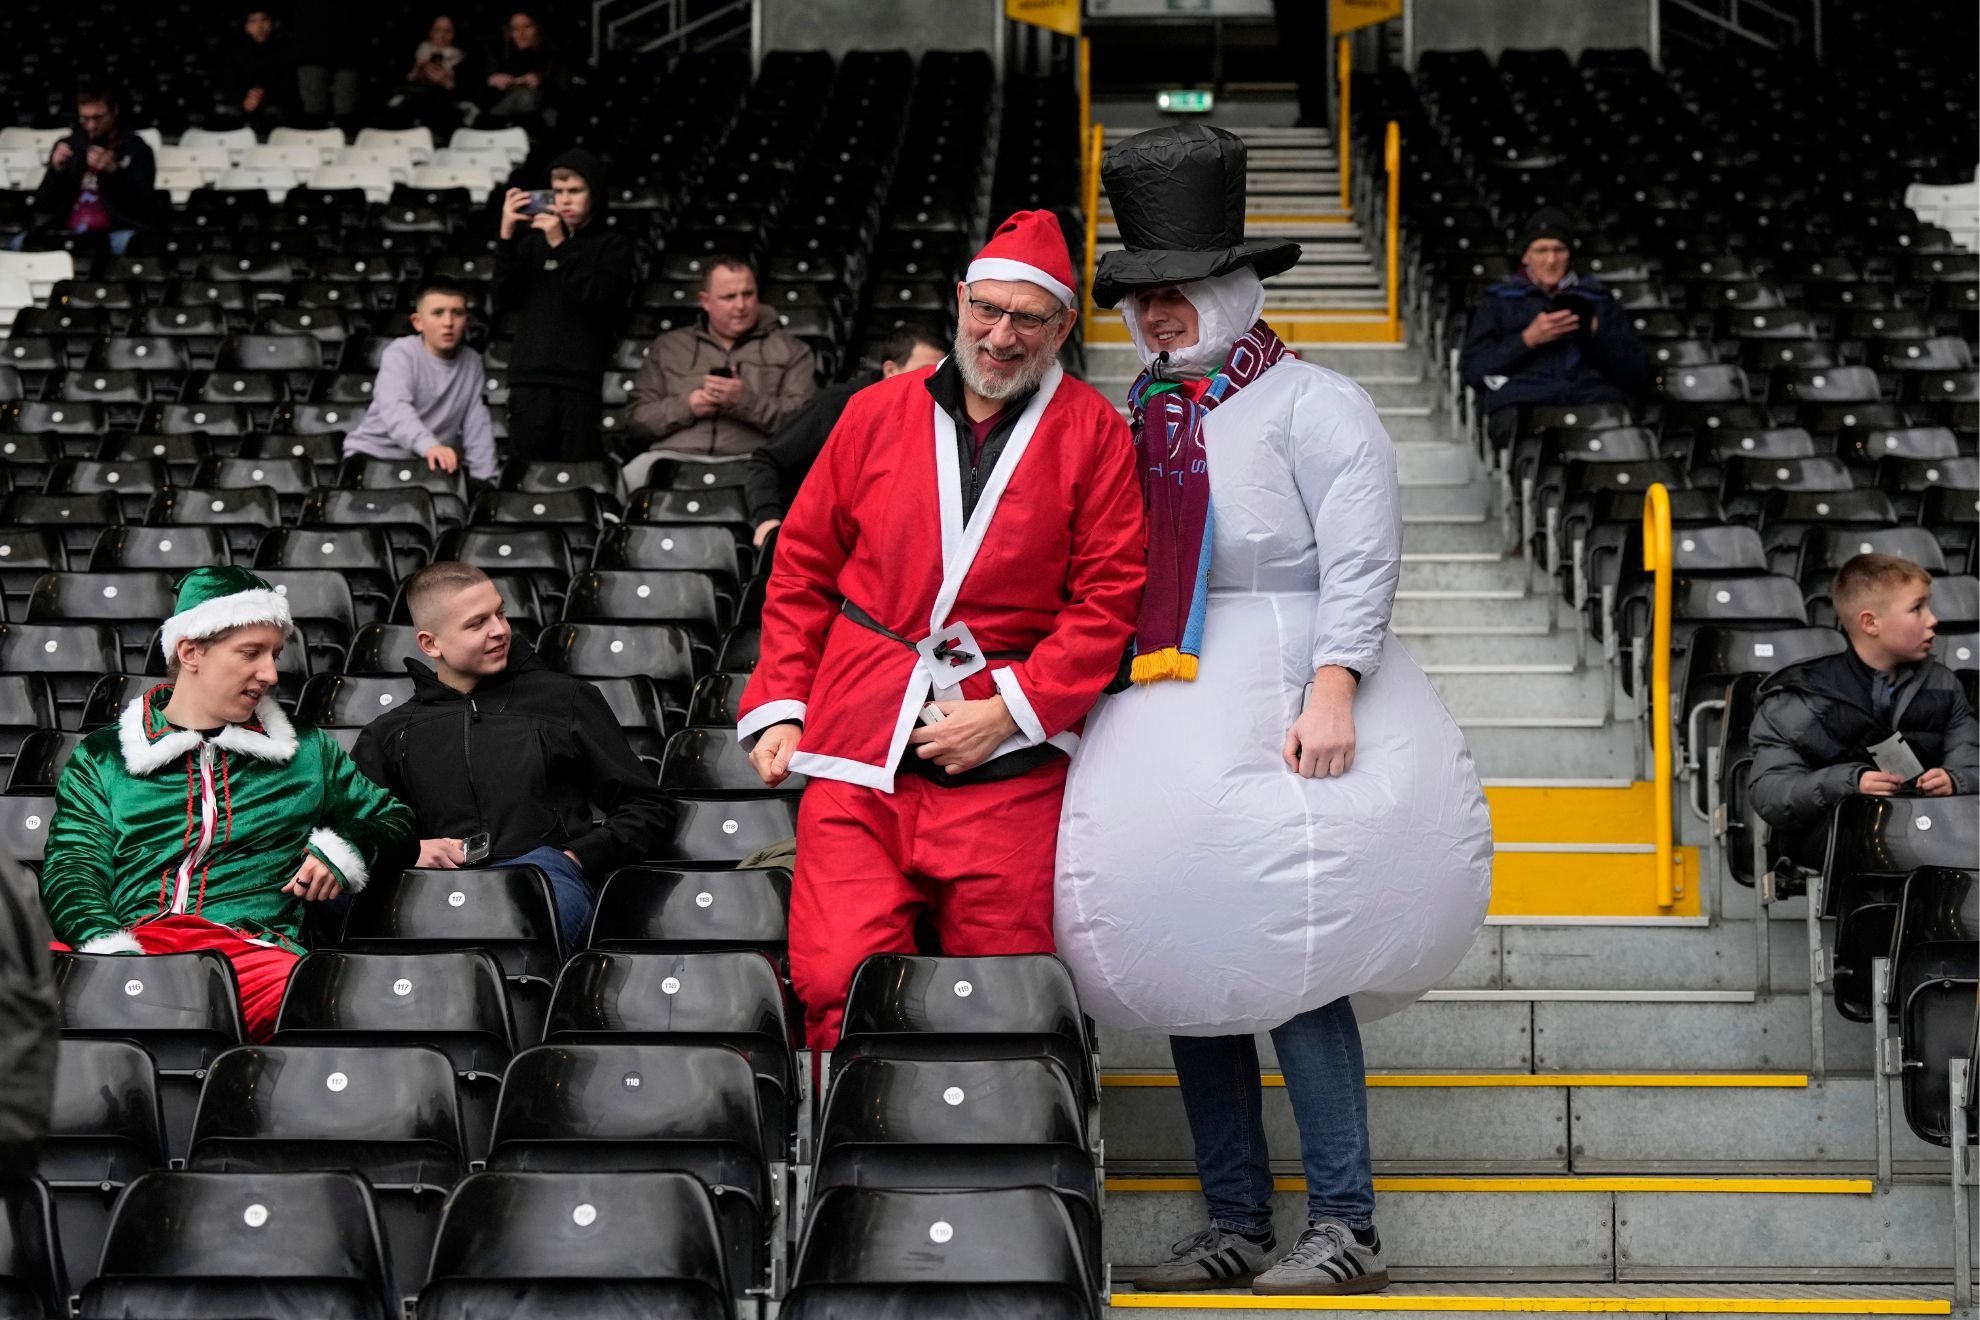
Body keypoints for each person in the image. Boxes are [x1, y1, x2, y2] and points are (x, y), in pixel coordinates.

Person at [1054, 124, 1492, 1297]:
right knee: (1192, 949)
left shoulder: (1315, 401)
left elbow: (1363, 552)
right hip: (1168, 697)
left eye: (1178, 293)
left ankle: (1345, 1221)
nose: (1156, 317)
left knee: (1302, 966)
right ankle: (1235, 1218)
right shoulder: (1136, 411)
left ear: (1233, 286)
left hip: (1294, 685)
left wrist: (1335, 683)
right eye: (1141, 299)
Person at [738, 209, 1147, 1050]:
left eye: (1026, 318)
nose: (1000, 336)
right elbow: (805, 567)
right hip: (861, 732)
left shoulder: (1097, 433)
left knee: (1007, 987)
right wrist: (780, 700)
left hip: (1011, 755)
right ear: (958, 300)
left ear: (1064, 325)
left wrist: (1009, 710)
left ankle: (1003, 1164)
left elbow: (1108, 599)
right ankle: (854, 1164)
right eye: (985, 310)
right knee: (836, 977)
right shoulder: (871, 412)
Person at [39, 567, 416, 1039]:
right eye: (251, 653)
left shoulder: (305, 748)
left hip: (252, 955)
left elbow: (392, 819)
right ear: (191, 651)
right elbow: (74, 866)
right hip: (131, 944)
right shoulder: (104, 755)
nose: (271, 674)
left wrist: (346, 851)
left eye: (274, 654)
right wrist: (110, 950)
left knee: (323, 1001)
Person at [352, 562, 669, 951]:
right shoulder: (389, 733)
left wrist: (574, 857)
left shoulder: (565, 700)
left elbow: (648, 806)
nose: (500, 630)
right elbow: (353, 831)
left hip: (543, 885)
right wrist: (412, 850)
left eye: (500, 613)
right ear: (430, 644)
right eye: (476, 623)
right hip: (433, 898)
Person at [1749, 553, 1978, 866]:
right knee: (1869, 827)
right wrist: (1850, 783)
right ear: (1870, 623)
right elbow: (1771, 793)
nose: (1932, 619)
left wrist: (1955, 780)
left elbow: (1972, 764)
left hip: (1934, 831)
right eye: (1917, 608)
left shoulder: (1944, 684)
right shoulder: (1801, 697)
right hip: (1839, 838)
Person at [622, 256, 819, 492]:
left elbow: (805, 425)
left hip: (754, 459)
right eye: (729, 297)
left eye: (748, 294)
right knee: (625, 480)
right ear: (705, 301)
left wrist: (744, 401)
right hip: (672, 456)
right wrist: (688, 406)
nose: (741, 306)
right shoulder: (669, 346)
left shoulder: (792, 350)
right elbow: (636, 422)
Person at [1457, 207, 1650, 448]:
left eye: (1559, 250)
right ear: (1525, 256)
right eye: (1541, 250)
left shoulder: (1598, 298)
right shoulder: (1499, 300)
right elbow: (1473, 370)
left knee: (1628, 437)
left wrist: (1594, 335)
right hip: (1524, 404)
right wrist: (1527, 339)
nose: (1551, 260)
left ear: (1570, 254)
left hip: (1593, 400)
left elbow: (1637, 373)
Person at [744, 321, 947, 547]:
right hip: (822, 538)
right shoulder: (838, 404)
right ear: (890, 370)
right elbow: (766, 460)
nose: (934, 382)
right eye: (924, 372)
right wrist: (767, 519)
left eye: (939, 373)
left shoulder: (944, 412)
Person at [493, 148, 635, 463]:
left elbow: (599, 297)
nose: (565, 200)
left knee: (575, 475)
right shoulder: (532, 244)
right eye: (557, 192)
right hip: (529, 378)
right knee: (527, 476)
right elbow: (501, 299)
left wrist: (560, 246)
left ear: (594, 194)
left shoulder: (613, 245)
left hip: (579, 380)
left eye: (575, 191)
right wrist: (506, 235)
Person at [341, 279, 498, 482]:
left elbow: (477, 424)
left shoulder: (471, 361)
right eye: (438, 313)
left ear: (466, 320)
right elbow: (396, 408)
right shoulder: (400, 353)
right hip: (374, 458)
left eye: (457, 313)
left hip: (428, 465)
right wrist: (429, 446)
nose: (448, 323)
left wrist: (486, 480)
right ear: (418, 322)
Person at [19, 82, 155, 255]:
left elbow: (143, 206)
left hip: (113, 234)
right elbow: (43, 204)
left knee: (132, 244)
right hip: (66, 230)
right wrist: (56, 171)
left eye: (98, 117)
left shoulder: (137, 149)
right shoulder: (70, 146)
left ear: (114, 111)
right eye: (85, 118)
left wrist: (115, 171)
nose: (91, 125)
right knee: (18, 242)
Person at [387, 14, 474, 134]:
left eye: (447, 31)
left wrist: (447, 83)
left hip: (444, 109)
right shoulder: (417, 54)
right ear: (430, 32)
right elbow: (397, 85)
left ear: (454, 34)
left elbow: (468, 95)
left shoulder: (465, 61)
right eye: (437, 30)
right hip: (411, 105)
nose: (442, 36)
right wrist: (415, 74)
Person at [481, 11, 562, 130]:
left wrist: (541, 82)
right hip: (502, 120)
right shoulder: (499, 56)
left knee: (528, 98)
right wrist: (491, 81)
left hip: (540, 119)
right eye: (515, 29)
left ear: (537, 28)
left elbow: (564, 96)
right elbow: (480, 99)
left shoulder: (552, 57)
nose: (521, 34)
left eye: (527, 27)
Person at [289, 0, 364, 128]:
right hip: (310, 46)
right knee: (313, 112)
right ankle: (313, 145)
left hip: (350, 45)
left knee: (347, 113)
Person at [225, 8, 295, 134]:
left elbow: (286, 84)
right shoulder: (235, 53)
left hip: (274, 102)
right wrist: (244, 99)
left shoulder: (284, 51)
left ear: (273, 24)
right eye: (253, 21)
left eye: (265, 20)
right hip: (243, 102)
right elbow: (231, 83)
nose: (260, 26)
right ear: (246, 27)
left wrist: (263, 95)